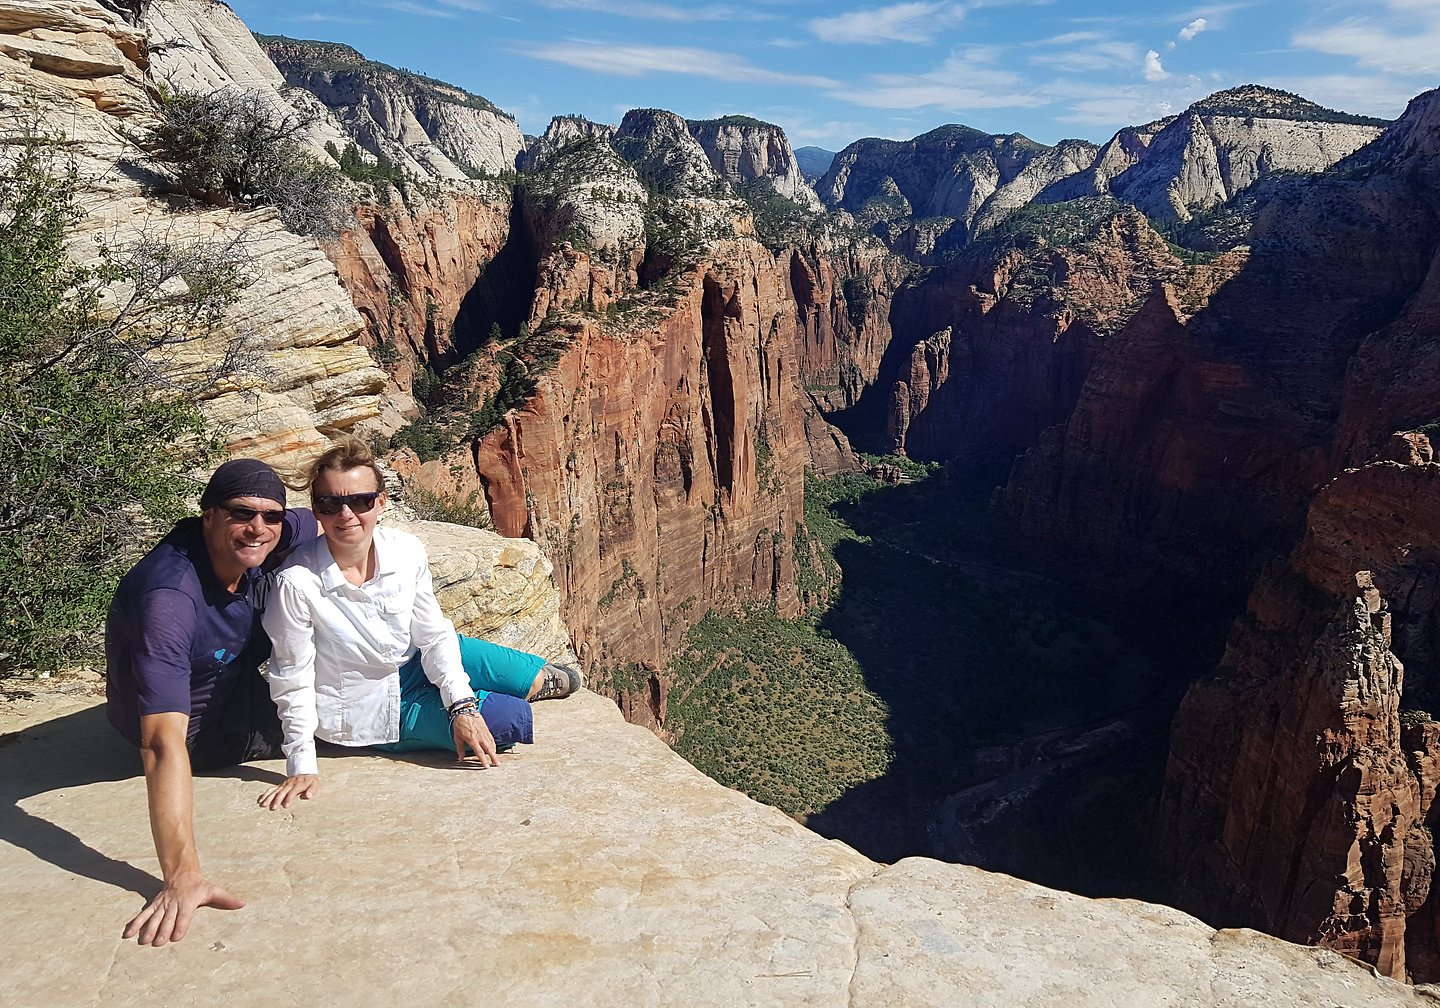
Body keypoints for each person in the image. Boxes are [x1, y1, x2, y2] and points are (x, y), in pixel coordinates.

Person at [257, 436, 580, 812]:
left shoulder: (405, 550)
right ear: (316, 509)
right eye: (331, 503)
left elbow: (433, 632)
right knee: (506, 721)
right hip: (367, 701)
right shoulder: (296, 582)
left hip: (412, 659)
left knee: (544, 679)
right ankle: (483, 697)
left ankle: (509, 686)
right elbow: (291, 675)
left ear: (380, 502)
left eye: (360, 501)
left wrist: (461, 706)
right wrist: (301, 763)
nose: (346, 514)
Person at [105, 458, 317, 948]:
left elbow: (331, 514)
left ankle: (506, 680)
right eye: (242, 513)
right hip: (204, 733)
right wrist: (182, 876)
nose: (258, 528)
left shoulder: (263, 534)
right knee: (352, 714)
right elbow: (161, 744)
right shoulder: (170, 599)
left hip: (235, 674)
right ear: (208, 516)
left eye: (271, 516)